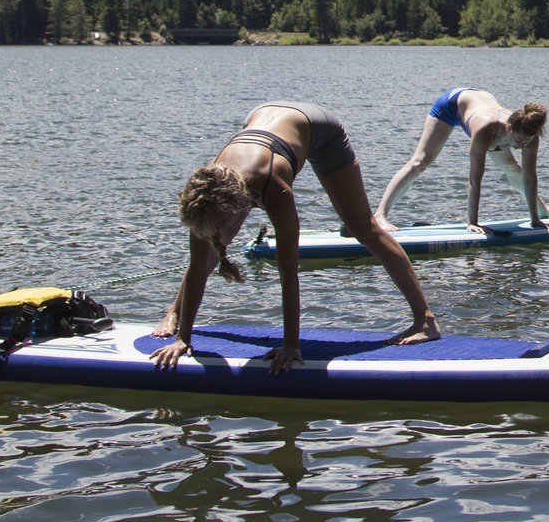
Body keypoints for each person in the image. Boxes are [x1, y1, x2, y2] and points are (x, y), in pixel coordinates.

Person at [152, 101, 439, 372]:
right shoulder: (203, 190)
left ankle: (425, 321)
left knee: (363, 228)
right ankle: (175, 315)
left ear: (239, 204)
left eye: (224, 221)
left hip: (320, 129)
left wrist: (290, 345)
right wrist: (184, 340)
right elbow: (199, 262)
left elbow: (288, 272)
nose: (219, 229)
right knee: (209, 246)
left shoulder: (272, 185)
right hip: (261, 119)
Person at [373, 88, 549, 231]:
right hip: (452, 105)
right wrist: (473, 222)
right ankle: (380, 215)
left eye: (526, 142)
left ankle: (540, 210)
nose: (522, 146)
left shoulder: (530, 135)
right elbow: (475, 179)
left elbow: (530, 177)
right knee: (421, 162)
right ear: (509, 129)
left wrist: (534, 220)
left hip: (482, 100)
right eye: (519, 141)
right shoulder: (485, 129)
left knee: (512, 167)